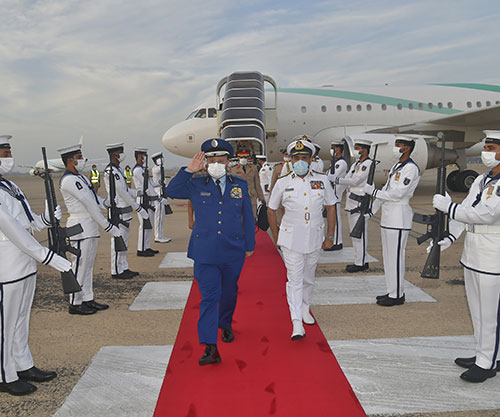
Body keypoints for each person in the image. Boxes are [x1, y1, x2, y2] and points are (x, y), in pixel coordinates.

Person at [165, 138, 255, 366]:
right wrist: (188, 170)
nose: (216, 163)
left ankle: (225, 324)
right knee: (209, 297)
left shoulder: (239, 185)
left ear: (228, 162)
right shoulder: (195, 184)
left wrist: (249, 245)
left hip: (233, 249)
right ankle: (210, 346)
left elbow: (247, 215)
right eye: (211, 159)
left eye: (220, 160)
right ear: (205, 162)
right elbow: (172, 191)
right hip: (205, 252)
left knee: (229, 293)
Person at [0, 135, 72, 396]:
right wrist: (48, 256)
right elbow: (12, 230)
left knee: (21, 319)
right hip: (6, 267)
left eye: (8, 152)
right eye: (3, 153)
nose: (8, 158)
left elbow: (27, 224)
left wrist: (45, 219)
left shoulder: (10, 186)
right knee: (4, 325)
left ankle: (23, 364)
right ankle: (4, 374)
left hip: (25, 264)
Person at [432, 130, 500, 383]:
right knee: (478, 310)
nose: (487, 153)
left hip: (493, 254)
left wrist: (448, 208)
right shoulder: (483, 179)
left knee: (491, 311)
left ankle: (487, 363)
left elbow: (486, 214)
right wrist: (450, 236)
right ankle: (485, 353)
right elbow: (467, 210)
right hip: (473, 253)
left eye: (492, 148)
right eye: (487, 147)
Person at [268, 138, 336, 340]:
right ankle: (296, 321)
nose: (300, 161)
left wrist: (330, 235)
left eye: (304, 157)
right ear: (290, 159)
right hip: (291, 238)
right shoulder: (283, 182)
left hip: (314, 236)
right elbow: (271, 210)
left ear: (311, 159)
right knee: (295, 279)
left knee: (309, 278)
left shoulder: (322, 180)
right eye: (296, 157)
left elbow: (331, 207)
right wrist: (276, 235)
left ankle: (305, 308)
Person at [59, 144, 123, 314]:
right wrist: (108, 226)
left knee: (87, 267)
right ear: (69, 160)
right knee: (79, 266)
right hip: (80, 228)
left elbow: (95, 201)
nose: (82, 160)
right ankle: (75, 302)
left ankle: (87, 298)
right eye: (79, 157)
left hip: (90, 227)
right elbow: (89, 205)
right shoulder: (69, 180)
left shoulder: (82, 178)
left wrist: (107, 202)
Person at [364, 136, 421, 306]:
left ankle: (397, 295)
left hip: (399, 217)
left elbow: (398, 194)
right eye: (395, 144)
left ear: (408, 148)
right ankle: (392, 291)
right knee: (388, 257)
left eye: (399, 145)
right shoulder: (397, 166)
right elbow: (386, 190)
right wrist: (371, 211)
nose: (395, 148)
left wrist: (373, 192)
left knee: (396, 257)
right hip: (388, 218)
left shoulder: (410, 169)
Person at [104, 143, 145, 279]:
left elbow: (126, 190)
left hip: (125, 211)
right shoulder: (111, 171)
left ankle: (123, 266)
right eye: (121, 152)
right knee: (118, 241)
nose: (122, 154)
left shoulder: (118, 170)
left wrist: (137, 193)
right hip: (119, 211)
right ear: (115, 154)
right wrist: (137, 206)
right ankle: (116, 270)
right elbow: (121, 192)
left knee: (124, 242)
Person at [335, 138, 373, 272]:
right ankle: (360, 259)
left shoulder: (367, 164)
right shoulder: (357, 163)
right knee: (354, 233)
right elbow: (350, 177)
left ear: (365, 149)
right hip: (352, 201)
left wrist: (337, 180)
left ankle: (361, 262)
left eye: (358, 148)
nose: (356, 150)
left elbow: (355, 181)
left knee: (359, 233)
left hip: (359, 201)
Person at [132, 148, 159, 257]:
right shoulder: (138, 170)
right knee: (144, 225)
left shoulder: (142, 169)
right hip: (143, 199)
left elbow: (149, 184)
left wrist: (158, 183)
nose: (145, 158)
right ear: (139, 156)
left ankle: (146, 246)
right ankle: (141, 249)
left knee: (149, 225)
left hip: (148, 199)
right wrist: (157, 197)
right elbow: (145, 185)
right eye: (143, 155)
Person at [325, 139, 349, 251]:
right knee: (333, 218)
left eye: (333, 147)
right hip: (332, 193)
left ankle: (338, 242)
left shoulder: (341, 163)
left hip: (336, 193)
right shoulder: (335, 161)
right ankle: (334, 241)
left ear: (339, 148)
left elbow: (332, 177)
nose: (332, 150)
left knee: (337, 219)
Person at [231, 150, 265, 217]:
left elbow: (257, 183)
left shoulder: (253, 168)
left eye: (245, 157)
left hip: (251, 195)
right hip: (238, 195)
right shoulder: (234, 169)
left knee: (252, 216)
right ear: (238, 158)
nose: (243, 159)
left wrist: (261, 197)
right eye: (241, 157)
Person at [151, 152, 172, 243]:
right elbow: (159, 169)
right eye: (160, 158)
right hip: (158, 194)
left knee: (161, 217)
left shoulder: (160, 168)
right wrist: (160, 163)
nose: (162, 159)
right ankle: (158, 236)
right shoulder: (156, 169)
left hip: (161, 192)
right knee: (158, 217)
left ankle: (160, 234)